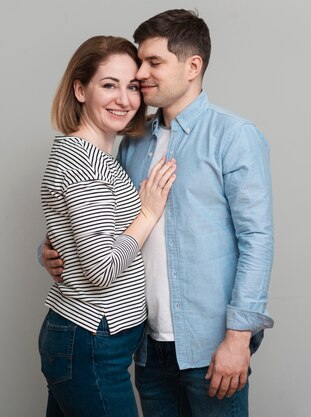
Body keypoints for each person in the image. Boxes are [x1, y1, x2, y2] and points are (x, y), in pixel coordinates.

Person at [41, 9, 274, 417]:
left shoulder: (233, 136)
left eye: (153, 62)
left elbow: (257, 240)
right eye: (138, 65)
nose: (142, 74)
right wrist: (52, 247)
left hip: (208, 346)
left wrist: (239, 338)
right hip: (147, 347)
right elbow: (98, 217)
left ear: (192, 66)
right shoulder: (132, 138)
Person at [38, 35, 176, 417]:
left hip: (87, 342)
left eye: (132, 86)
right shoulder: (87, 167)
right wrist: (147, 214)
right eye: (109, 85)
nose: (124, 99)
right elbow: (101, 270)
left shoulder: (90, 154)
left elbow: (79, 231)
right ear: (80, 90)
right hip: (90, 345)